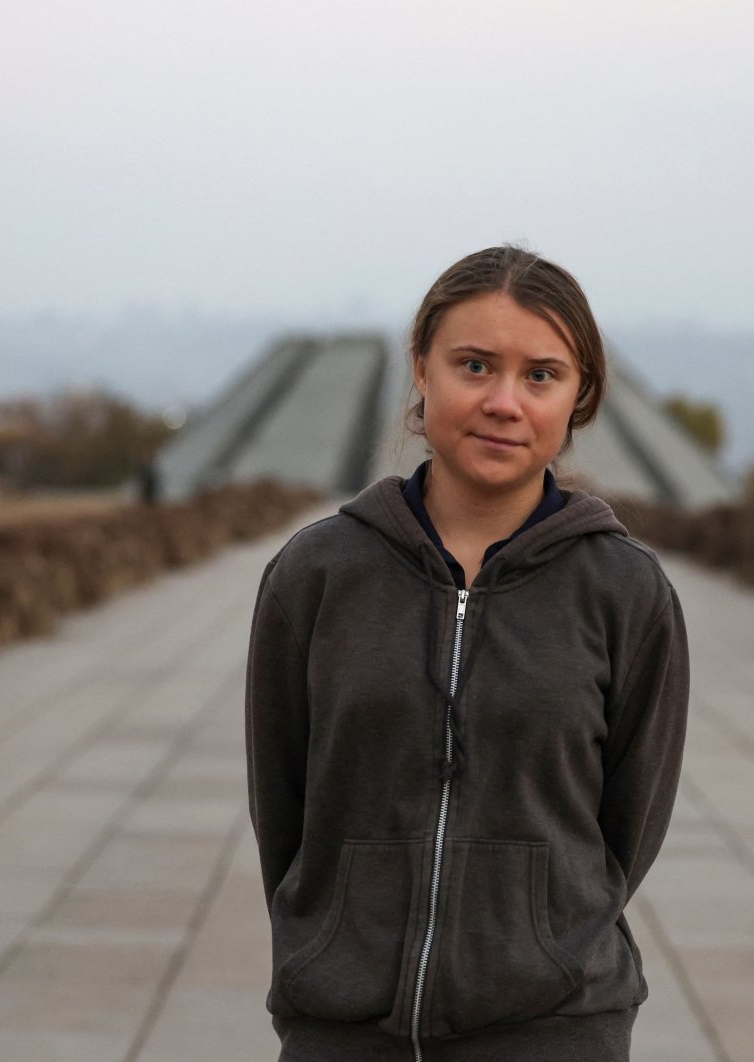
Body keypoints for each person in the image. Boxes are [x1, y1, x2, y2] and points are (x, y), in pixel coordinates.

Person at [246, 245, 690, 1061]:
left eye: (541, 375)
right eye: (475, 365)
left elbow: (631, 824)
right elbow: (283, 803)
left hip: (552, 1030)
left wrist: (543, 940)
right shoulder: (317, 574)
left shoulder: (625, 591)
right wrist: (328, 944)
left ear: (579, 396)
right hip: (343, 1029)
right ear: (421, 368)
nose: (503, 402)